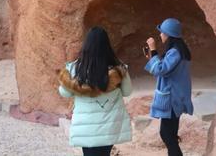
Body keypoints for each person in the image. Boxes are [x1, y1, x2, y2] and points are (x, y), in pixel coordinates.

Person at [58, 26, 132, 156]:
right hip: (109, 127)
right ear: (107, 45)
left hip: (86, 127)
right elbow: (127, 91)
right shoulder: (118, 70)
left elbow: (65, 93)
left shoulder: (74, 69)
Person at [145, 18, 193, 156]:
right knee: (170, 134)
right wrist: (152, 55)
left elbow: (161, 70)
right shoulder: (178, 50)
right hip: (175, 97)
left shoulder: (175, 52)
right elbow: (163, 68)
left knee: (167, 134)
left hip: (173, 99)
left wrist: (153, 50)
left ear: (168, 34)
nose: (160, 35)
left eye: (162, 32)